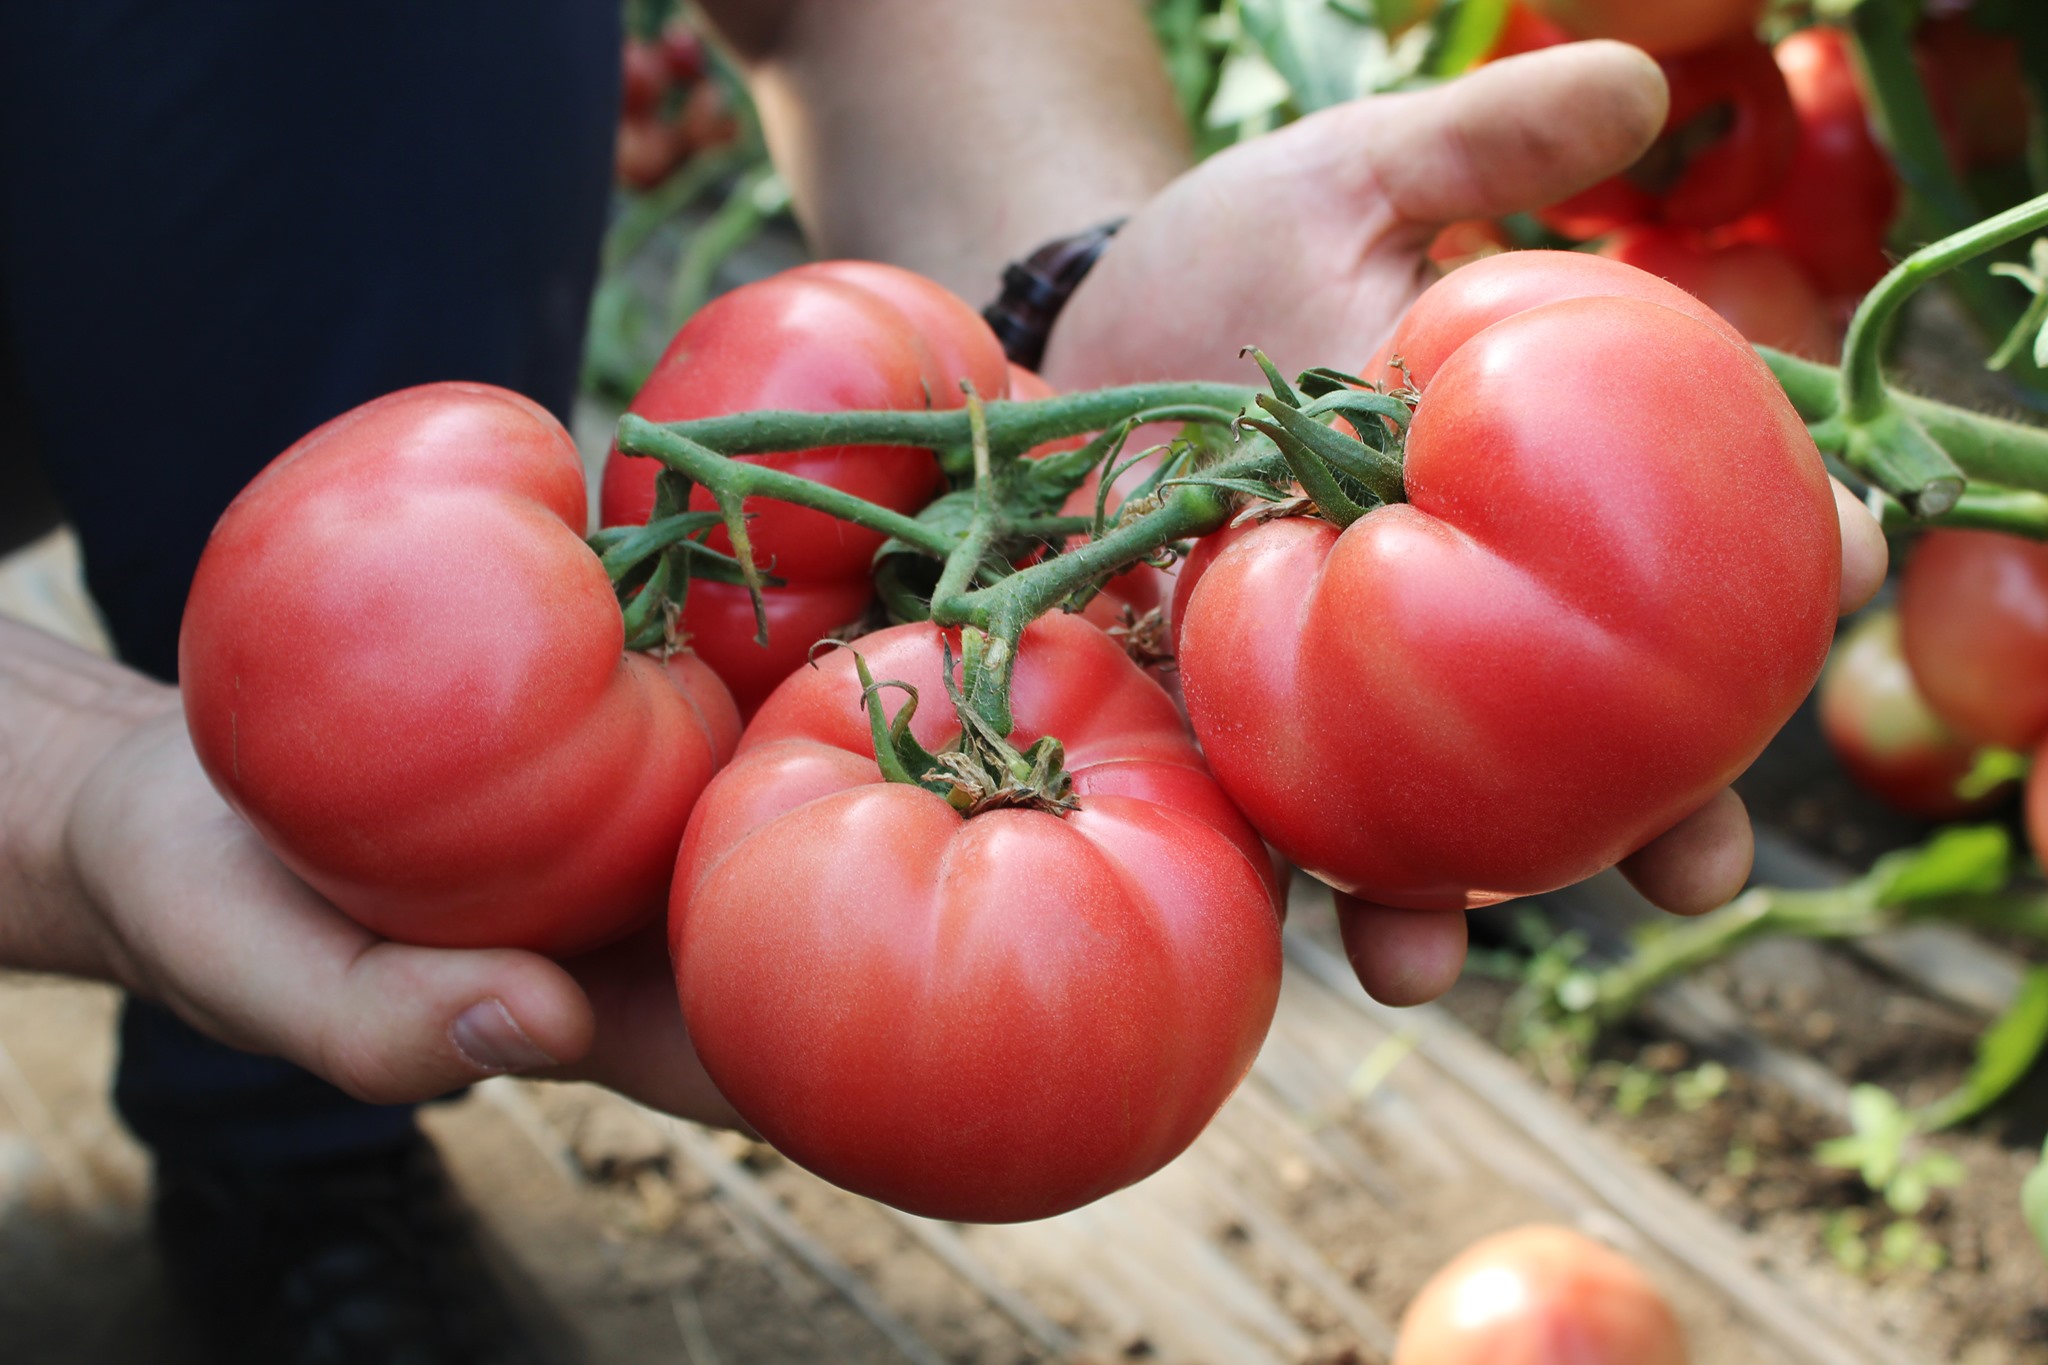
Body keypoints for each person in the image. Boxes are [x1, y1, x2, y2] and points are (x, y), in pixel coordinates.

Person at [0, 3, 1885, 1361]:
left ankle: (291, 1167)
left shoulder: (786, 647)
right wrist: (75, 793)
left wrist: (1069, 287)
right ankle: (286, 1155)